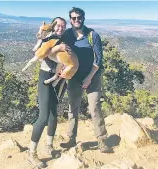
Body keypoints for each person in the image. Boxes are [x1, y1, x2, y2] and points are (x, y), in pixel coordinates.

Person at [52, 7, 112, 153]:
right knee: (73, 109)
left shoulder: (92, 35)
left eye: (79, 18)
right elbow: (57, 49)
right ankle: (71, 139)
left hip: (93, 77)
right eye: (73, 18)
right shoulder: (67, 35)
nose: (76, 20)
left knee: (95, 108)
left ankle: (102, 140)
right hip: (74, 78)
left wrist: (89, 78)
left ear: (83, 18)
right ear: (70, 20)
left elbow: (98, 59)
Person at [28, 17, 67, 168]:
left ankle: (49, 146)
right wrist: (55, 48)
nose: (60, 28)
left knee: (53, 115)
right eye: (57, 25)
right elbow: (37, 54)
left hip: (58, 80)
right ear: (53, 26)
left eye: (63, 26)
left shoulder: (65, 39)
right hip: (45, 77)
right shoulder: (47, 38)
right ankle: (31, 153)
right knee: (43, 117)